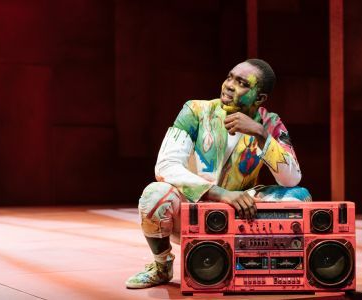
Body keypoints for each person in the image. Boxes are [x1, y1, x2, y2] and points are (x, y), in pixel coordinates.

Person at [125, 59, 311, 289]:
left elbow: (291, 179)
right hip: (193, 207)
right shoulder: (196, 111)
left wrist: (261, 134)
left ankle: (260, 262)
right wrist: (220, 194)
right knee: (154, 195)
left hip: (241, 211)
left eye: (242, 83)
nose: (229, 85)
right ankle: (161, 265)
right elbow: (165, 165)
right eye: (230, 77)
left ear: (260, 97)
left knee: (299, 197)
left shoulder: (270, 123)